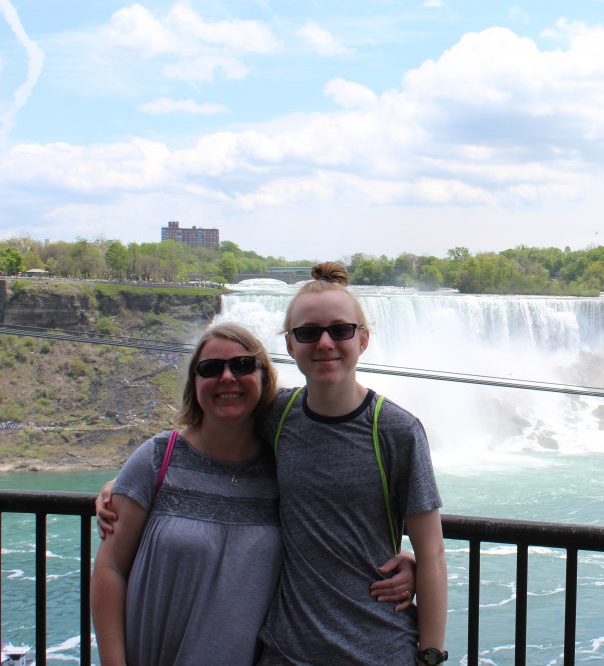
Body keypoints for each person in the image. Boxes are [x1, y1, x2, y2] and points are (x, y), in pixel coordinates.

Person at [92, 323, 415, 665]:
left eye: (243, 365)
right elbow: (110, 569)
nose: (227, 377)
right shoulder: (158, 458)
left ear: (264, 380)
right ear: (195, 383)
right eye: (210, 369)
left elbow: (332, 526)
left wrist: (410, 560)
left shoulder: (283, 468)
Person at [254, 261, 448, 664]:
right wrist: (133, 480)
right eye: (308, 333)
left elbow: (430, 555)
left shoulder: (396, 430)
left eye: (340, 330)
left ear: (363, 339)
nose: (325, 343)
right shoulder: (274, 416)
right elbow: (204, 443)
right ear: (290, 345)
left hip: (378, 650)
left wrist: (430, 655)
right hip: (287, 651)